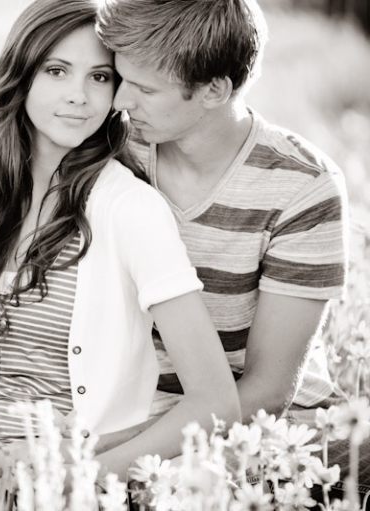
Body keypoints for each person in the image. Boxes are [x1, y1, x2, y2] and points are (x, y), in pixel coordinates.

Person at [0, 0, 240, 480]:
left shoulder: (129, 209)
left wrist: (78, 479)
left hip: (59, 483)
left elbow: (216, 403)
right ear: (21, 73)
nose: (80, 96)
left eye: (99, 77)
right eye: (57, 71)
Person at [96, 0, 365, 499]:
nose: (119, 102)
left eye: (145, 89)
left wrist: (110, 464)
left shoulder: (302, 184)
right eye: (119, 79)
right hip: (133, 422)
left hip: (269, 428)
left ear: (215, 90)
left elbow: (268, 389)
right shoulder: (112, 157)